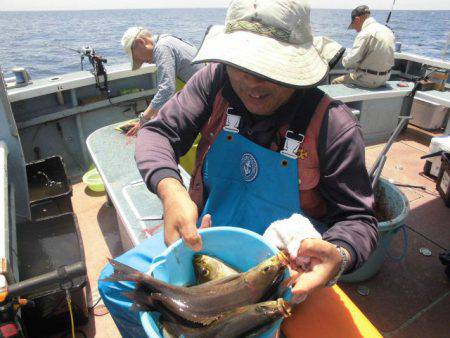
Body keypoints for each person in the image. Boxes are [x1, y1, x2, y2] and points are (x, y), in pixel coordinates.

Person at [99, 0, 378, 336]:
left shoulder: (334, 126)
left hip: (286, 270)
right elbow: (158, 133)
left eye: (272, 69)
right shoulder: (213, 84)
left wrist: (340, 255)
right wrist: (170, 190)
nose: (252, 83)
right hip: (205, 242)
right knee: (114, 285)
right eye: (242, 65)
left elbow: (358, 220)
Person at [121, 26, 204, 136]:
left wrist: (143, 119)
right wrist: (152, 116)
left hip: (202, 104)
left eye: (138, 58)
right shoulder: (168, 40)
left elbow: (166, 89)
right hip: (199, 98)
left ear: (141, 42)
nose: (142, 62)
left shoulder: (162, 48)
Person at [332, 5, 395, 88]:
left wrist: (344, 61)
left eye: (354, 26)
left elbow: (351, 60)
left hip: (369, 80)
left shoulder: (365, 33)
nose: (355, 30)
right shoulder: (387, 30)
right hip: (385, 78)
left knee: (335, 82)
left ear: (357, 19)